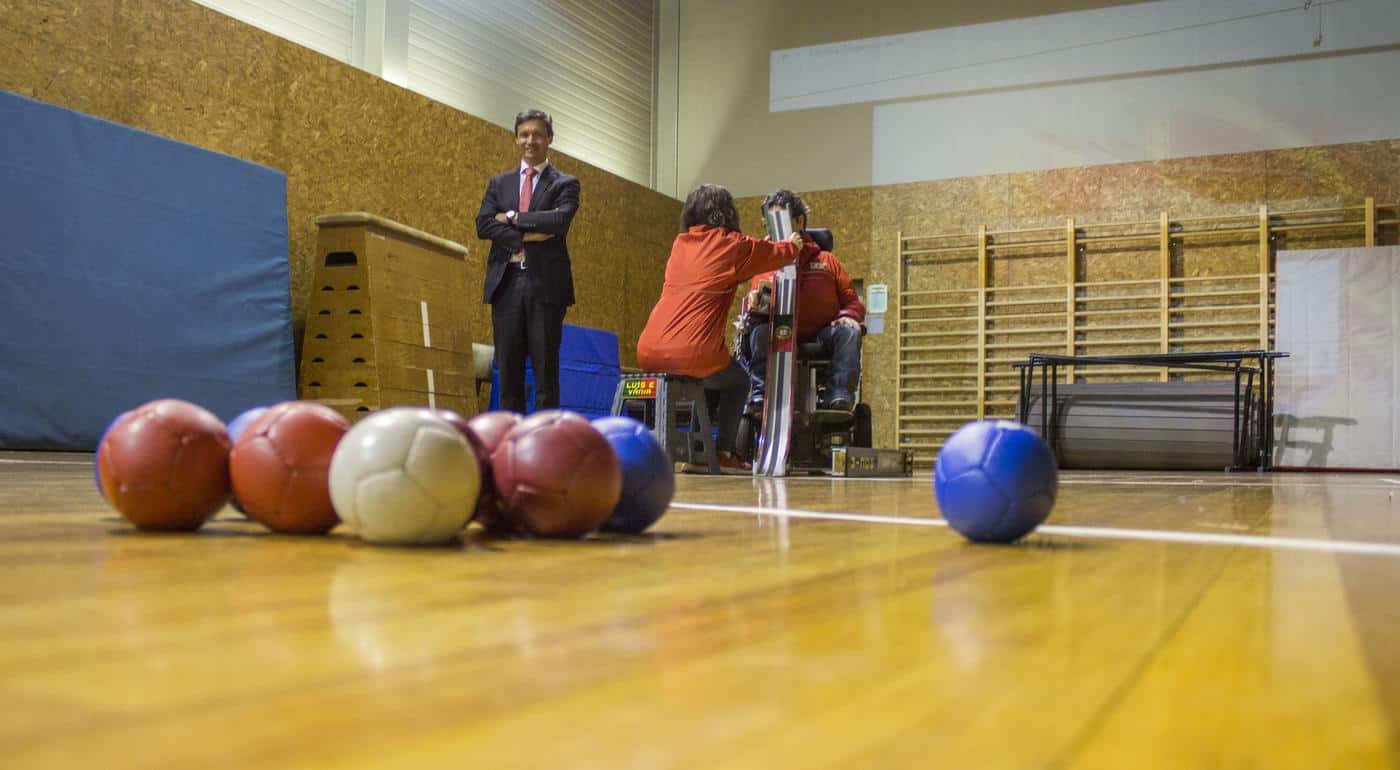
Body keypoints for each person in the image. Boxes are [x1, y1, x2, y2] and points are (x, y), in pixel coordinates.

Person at [637, 184, 803, 468]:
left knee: (706, 377)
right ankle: (724, 453)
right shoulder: (733, 244)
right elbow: (775, 254)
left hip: (648, 350)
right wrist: (793, 245)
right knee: (738, 380)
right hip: (692, 352)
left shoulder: (680, 245)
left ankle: (690, 450)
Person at [475, 109, 579, 413]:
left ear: (549, 139)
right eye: (524, 134)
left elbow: (558, 221)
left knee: (546, 371)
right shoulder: (500, 183)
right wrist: (524, 236)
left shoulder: (565, 184)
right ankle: (510, 440)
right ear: (516, 138)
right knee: (508, 370)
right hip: (506, 284)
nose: (529, 140)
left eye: (536, 134)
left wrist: (510, 218)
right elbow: (483, 225)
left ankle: (545, 446)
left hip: (545, 287)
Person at [740, 189, 865, 412]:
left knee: (850, 332)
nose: (775, 229)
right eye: (770, 223)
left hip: (822, 333)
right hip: (779, 331)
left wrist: (848, 317)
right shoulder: (764, 264)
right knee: (758, 332)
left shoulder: (827, 261)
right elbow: (755, 313)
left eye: (782, 221)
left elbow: (852, 302)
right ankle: (761, 394)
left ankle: (839, 397)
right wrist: (754, 305)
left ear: (799, 222)